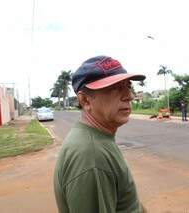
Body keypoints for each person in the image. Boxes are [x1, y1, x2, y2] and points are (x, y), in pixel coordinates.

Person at [54, 56, 147, 213]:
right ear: (85, 100)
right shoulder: (91, 156)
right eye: (115, 88)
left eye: (128, 86)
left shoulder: (98, 137)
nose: (129, 96)